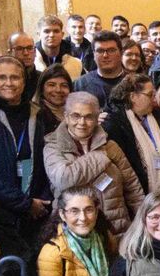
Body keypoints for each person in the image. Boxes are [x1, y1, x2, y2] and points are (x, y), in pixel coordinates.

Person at [0, 56, 51, 240]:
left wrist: (41, 201)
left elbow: (49, 159)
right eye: (1, 77)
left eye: (15, 77)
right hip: (1, 213)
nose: (9, 83)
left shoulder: (38, 113)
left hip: (39, 209)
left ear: (24, 81)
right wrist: (24, 203)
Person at [44, 91, 145, 234]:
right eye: (76, 116)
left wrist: (143, 221)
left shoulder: (110, 146)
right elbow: (63, 179)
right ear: (66, 117)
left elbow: (133, 188)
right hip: (73, 233)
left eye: (88, 117)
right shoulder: (53, 147)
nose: (82, 123)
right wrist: (99, 156)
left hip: (116, 230)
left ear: (97, 118)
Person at [103, 72, 160, 197]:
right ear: (133, 97)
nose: (154, 100)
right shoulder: (115, 124)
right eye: (149, 95)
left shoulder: (157, 118)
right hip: (135, 194)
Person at [74, 30, 126, 106]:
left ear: (121, 53)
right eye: (100, 51)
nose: (105, 55)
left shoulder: (135, 83)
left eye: (111, 50)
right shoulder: (81, 84)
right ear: (94, 55)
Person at [34, 14, 83, 79]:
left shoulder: (76, 64)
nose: (51, 35)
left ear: (62, 34)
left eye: (56, 31)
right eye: (47, 31)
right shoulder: (32, 62)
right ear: (39, 34)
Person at [31, 64, 73, 138]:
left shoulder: (76, 114)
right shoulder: (35, 116)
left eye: (64, 85)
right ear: (41, 88)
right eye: (52, 85)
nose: (58, 90)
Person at [8, 32, 41, 98]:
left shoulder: (43, 79)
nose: (26, 53)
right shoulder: (4, 80)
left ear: (35, 52)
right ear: (10, 53)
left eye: (29, 48)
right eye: (19, 49)